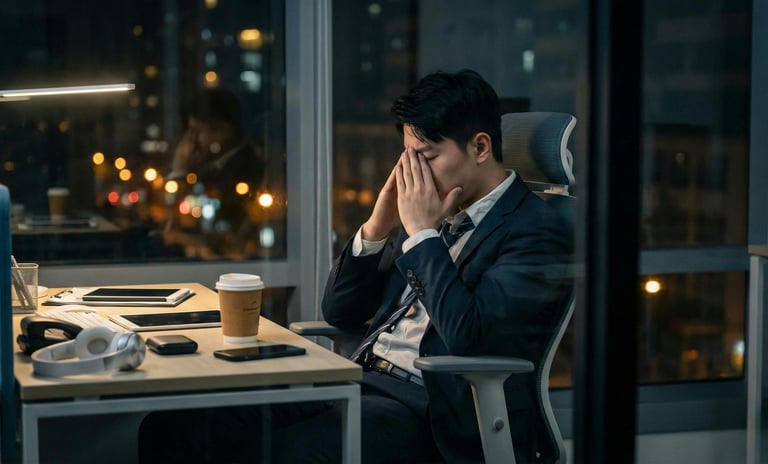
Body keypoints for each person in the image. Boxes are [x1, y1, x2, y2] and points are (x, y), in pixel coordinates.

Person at [139, 69, 572, 463]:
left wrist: (421, 234)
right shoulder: (438, 206)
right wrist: (379, 224)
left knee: (289, 454)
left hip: (430, 410)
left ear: (479, 147)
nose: (412, 173)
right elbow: (341, 312)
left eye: (427, 155)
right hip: (361, 382)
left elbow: (470, 337)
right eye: (407, 156)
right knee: (176, 428)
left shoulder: (536, 229)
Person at [162, 87, 267, 260]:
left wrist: (179, 173)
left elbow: (214, 233)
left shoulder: (241, 173)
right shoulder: (212, 170)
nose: (190, 140)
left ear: (222, 131)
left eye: (197, 131)